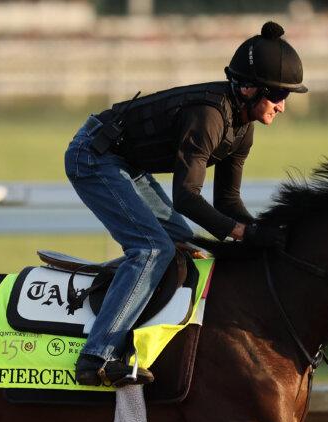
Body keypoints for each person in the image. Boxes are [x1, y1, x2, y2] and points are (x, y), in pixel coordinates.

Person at [65, 20, 306, 388]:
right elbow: (187, 197)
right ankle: (97, 354)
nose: (283, 106)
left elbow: (227, 201)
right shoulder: (209, 116)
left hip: (125, 162)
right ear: (248, 89)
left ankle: (135, 316)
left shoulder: (242, 128)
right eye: (277, 95)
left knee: (184, 242)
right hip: (92, 155)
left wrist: (257, 230)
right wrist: (241, 232)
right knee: (150, 249)